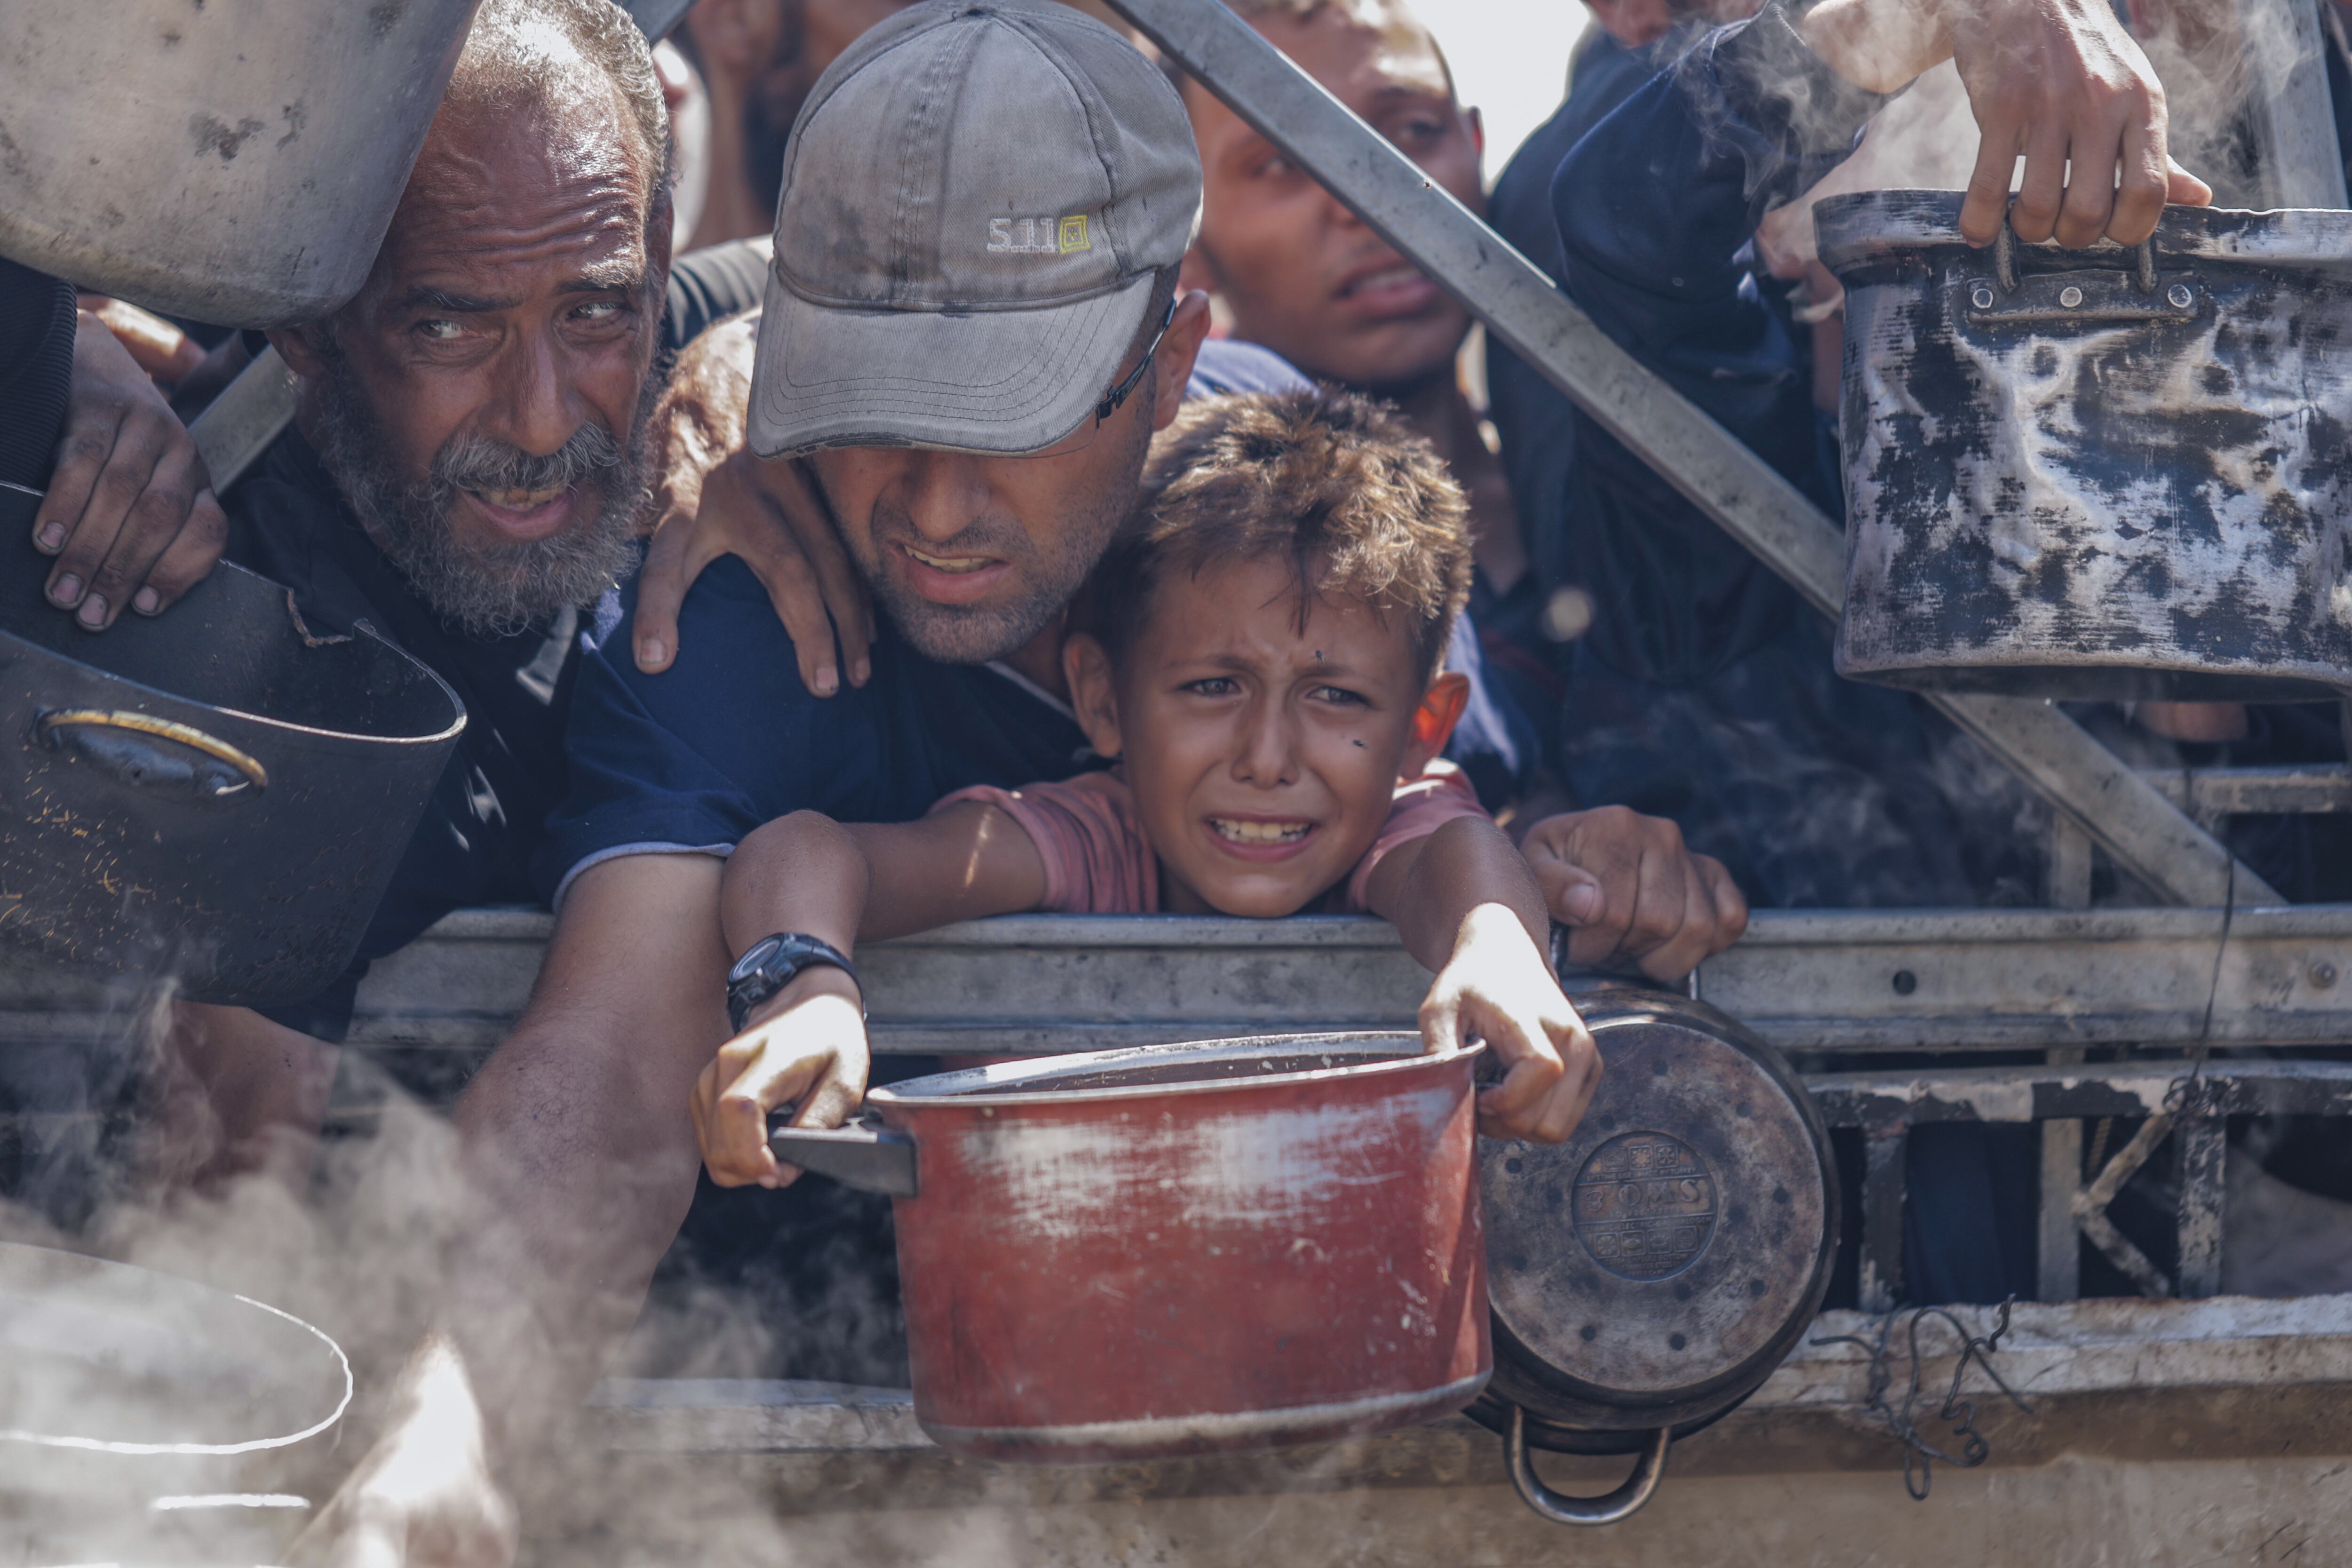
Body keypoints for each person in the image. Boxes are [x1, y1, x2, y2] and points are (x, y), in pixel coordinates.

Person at [295, 5, 1748, 1559]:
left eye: (1016, 413)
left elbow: (1455, 822)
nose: (932, 500)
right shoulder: (741, 599)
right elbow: (612, 1053)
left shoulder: (1328, 531)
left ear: (1174, 349)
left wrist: (1579, 876)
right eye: (874, 408)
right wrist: (449, 1431)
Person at [145, 0, 788, 1190]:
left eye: (597, 313)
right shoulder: (284, 695)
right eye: (450, 330)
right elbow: (213, 1249)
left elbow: (816, 273)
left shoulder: (657, 319)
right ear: (307, 314)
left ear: (655, 256)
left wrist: (750, 361)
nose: (542, 418)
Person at [694, 388, 1601, 1189]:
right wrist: (804, 985)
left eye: (1335, 696)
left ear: (1422, 731)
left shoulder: (1390, 833)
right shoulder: (1095, 838)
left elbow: (1460, 853)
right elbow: (804, 848)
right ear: (1102, 699)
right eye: (1213, 686)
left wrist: (1498, 952)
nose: (1267, 757)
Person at [1169, 0, 1556, 758]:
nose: (1365, 198)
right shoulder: (1168, 544)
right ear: (1190, 240)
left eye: (1412, 132)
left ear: (1475, 152)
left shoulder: (1615, 470)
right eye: (1279, 160)